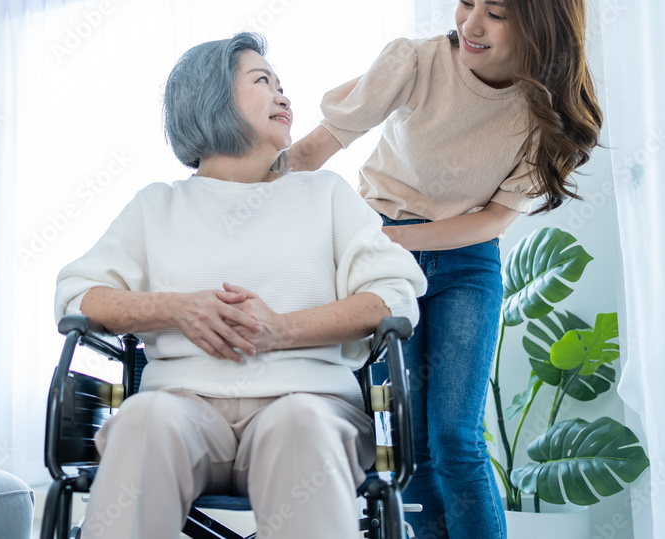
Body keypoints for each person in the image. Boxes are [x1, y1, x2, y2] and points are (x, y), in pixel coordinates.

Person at [288, 0, 603, 539]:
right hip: (378, 267)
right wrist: (228, 195)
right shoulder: (416, 62)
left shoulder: (547, 113)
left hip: (464, 264)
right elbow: (317, 148)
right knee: (404, 445)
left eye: (496, 12)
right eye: (467, 0)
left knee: (456, 438)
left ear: (539, 23)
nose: (471, 23)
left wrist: (395, 240)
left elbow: (493, 220)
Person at [54, 32, 427, 538]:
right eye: (263, 81)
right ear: (212, 99)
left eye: (281, 84)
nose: (284, 95)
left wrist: (280, 330)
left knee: (298, 426)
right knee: (145, 422)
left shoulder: (325, 195)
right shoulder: (157, 206)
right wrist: (177, 309)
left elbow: (397, 292)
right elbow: (79, 296)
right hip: (183, 408)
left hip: (309, 403)